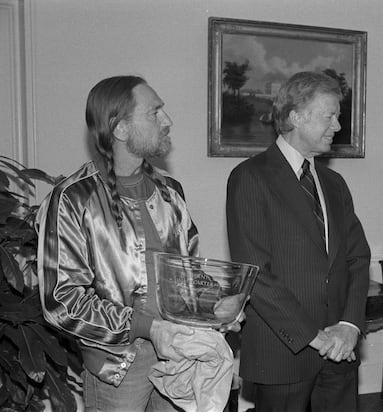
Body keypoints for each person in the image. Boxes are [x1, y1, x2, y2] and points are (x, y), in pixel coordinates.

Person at [37, 76, 235, 411]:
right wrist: (146, 327)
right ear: (120, 129)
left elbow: (189, 272)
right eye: (155, 112)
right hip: (118, 364)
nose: (167, 121)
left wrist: (215, 303)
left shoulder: (170, 191)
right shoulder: (73, 198)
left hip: (179, 355)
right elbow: (61, 301)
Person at [226, 71, 371, 412]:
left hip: (340, 350)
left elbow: (357, 258)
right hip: (284, 351)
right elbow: (256, 273)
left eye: (339, 116)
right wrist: (315, 336)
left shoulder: (334, 184)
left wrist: (349, 325)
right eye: (329, 116)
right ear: (295, 116)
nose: (337, 126)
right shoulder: (249, 178)